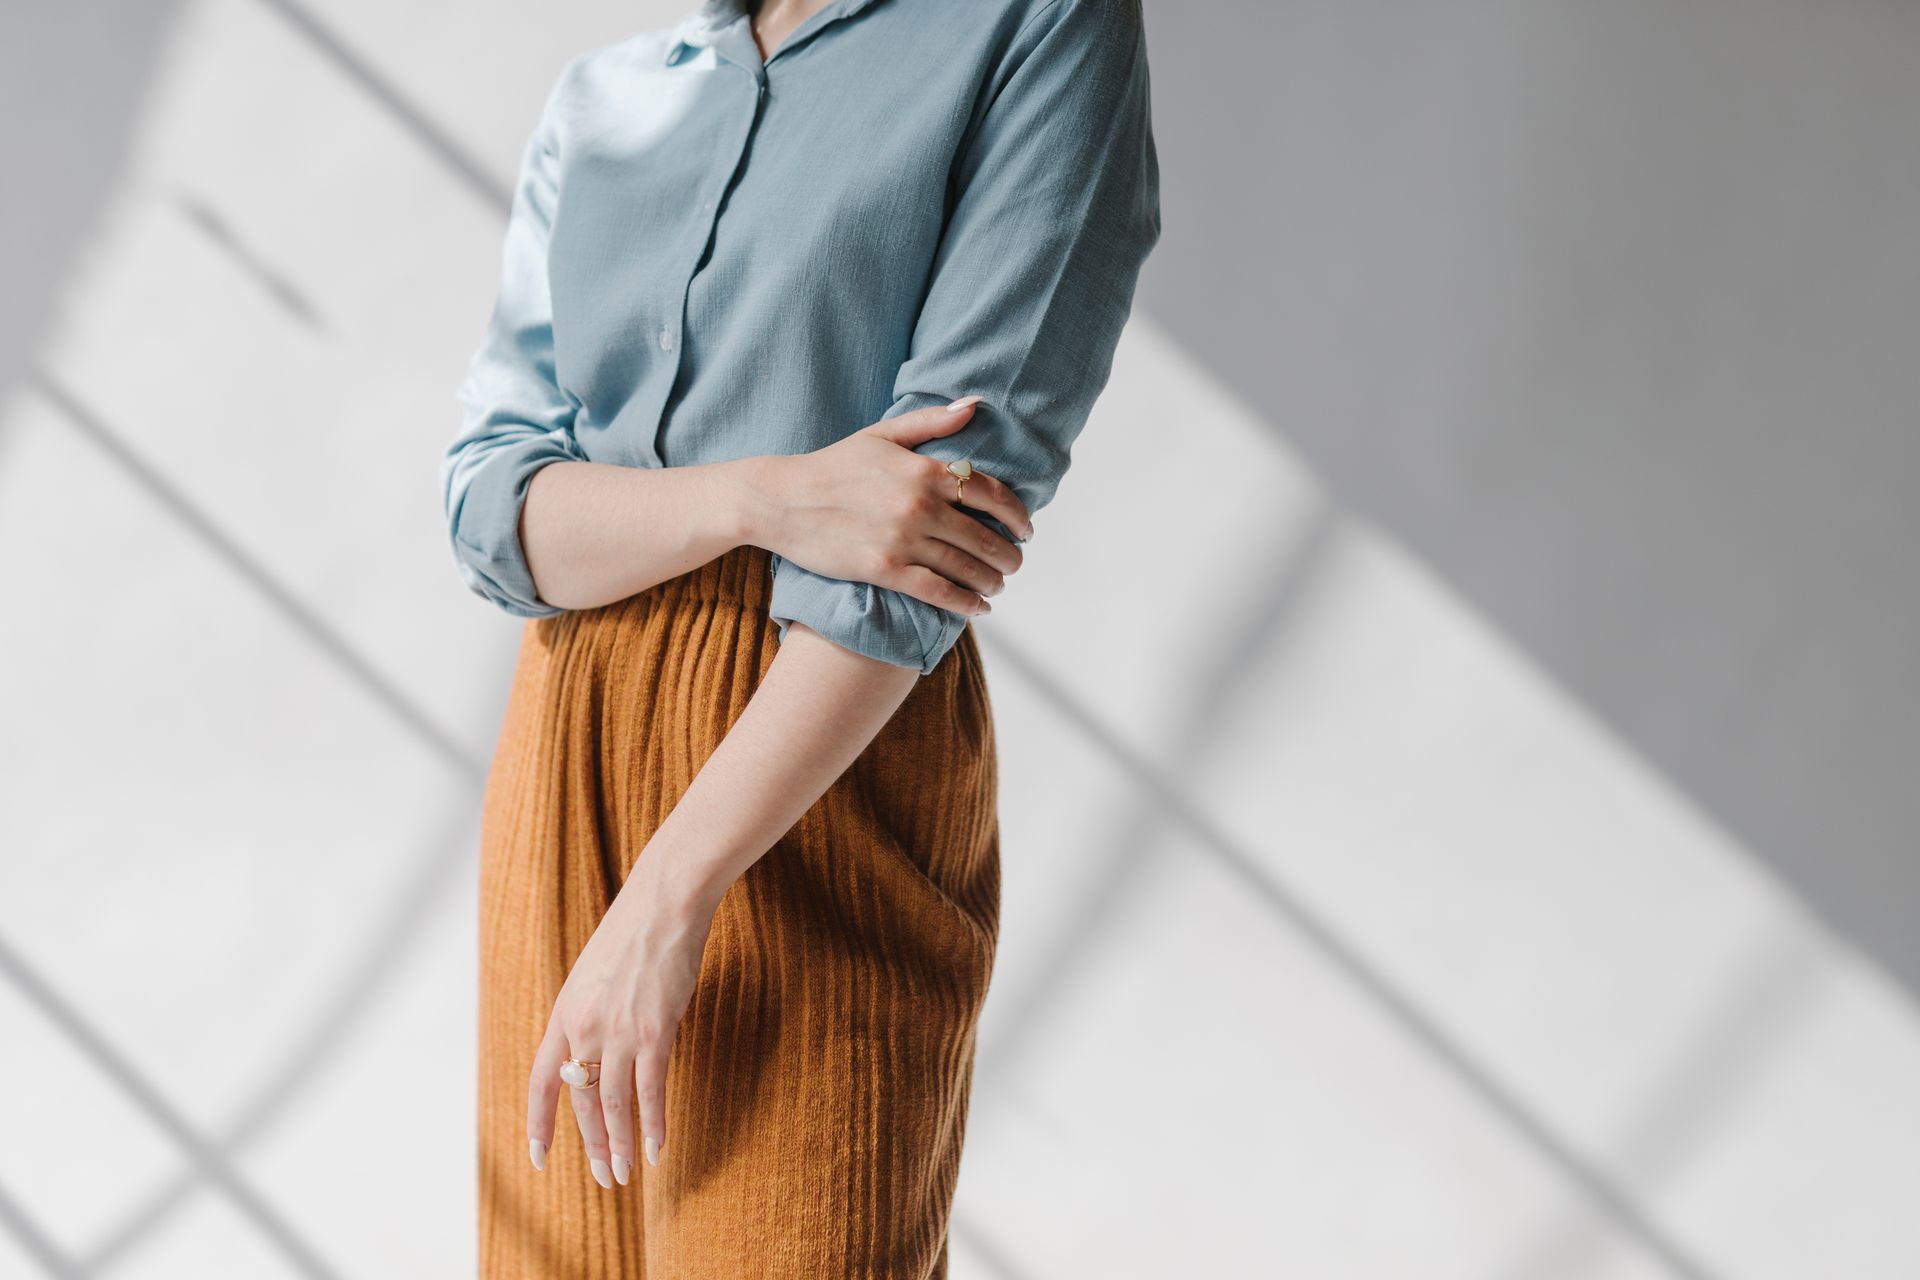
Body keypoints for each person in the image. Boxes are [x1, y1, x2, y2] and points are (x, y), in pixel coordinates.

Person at [438, 0, 1160, 1273]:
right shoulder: (606, 97)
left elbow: (933, 524)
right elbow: (496, 513)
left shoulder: (1033, 26)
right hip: (563, 741)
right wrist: (761, 496)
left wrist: (667, 898)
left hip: (823, 750)